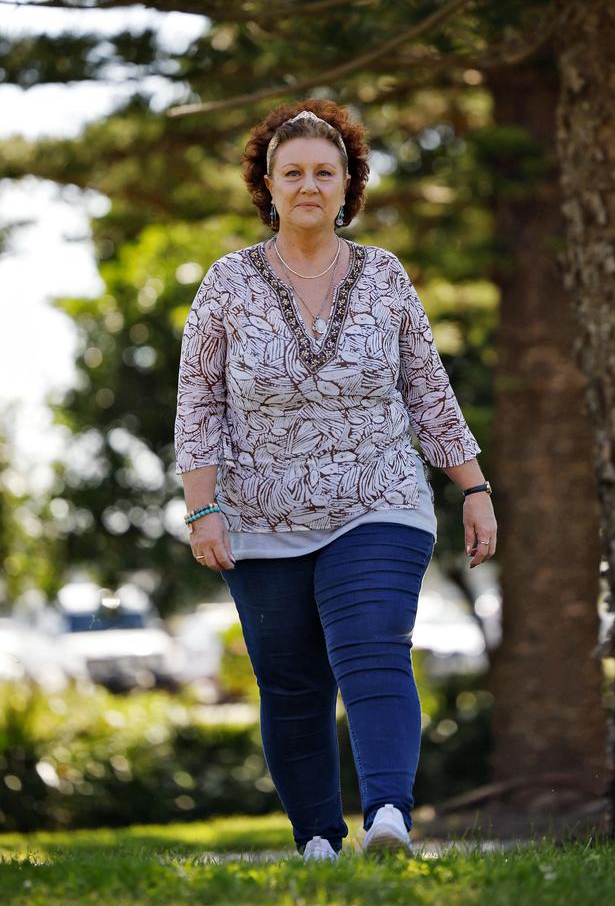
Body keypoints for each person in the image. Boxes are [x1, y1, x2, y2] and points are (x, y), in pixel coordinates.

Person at [174, 98, 497, 861]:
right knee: (291, 685)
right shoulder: (227, 284)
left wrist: (474, 488)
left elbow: (427, 388)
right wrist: (202, 508)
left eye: (326, 171)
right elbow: (199, 399)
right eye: (294, 172)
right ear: (268, 185)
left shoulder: (384, 276)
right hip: (259, 514)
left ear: (350, 183)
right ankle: (317, 839)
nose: (310, 185)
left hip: (379, 497)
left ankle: (389, 816)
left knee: (374, 643)